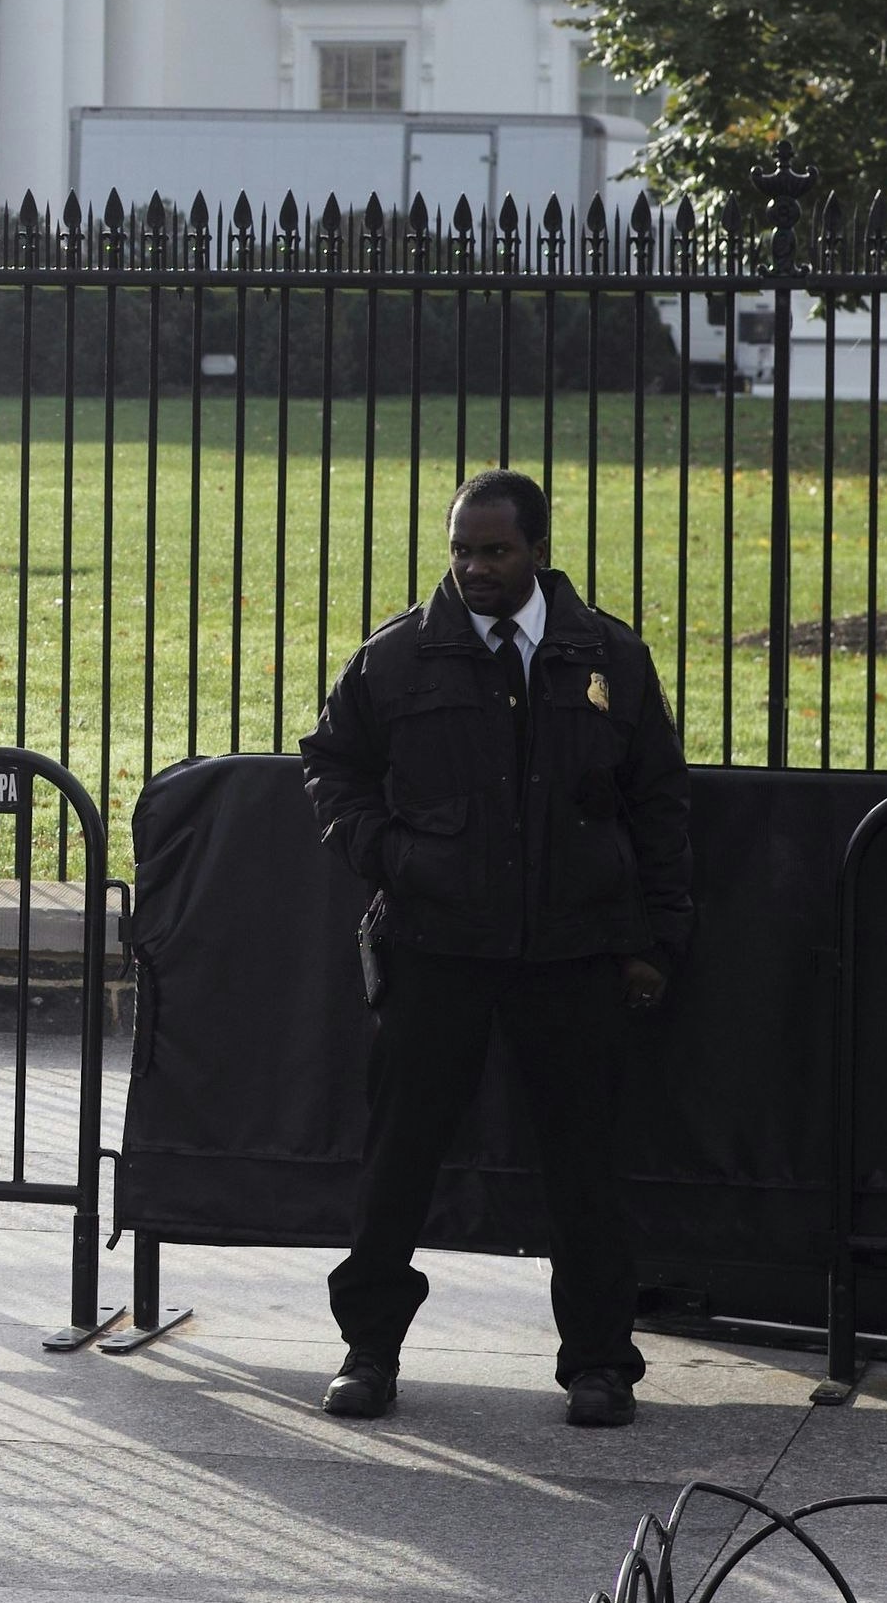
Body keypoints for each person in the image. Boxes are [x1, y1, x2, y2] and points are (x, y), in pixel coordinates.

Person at [300, 469, 692, 1429]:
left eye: (496, 551)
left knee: (585, 1167)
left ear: (538, 552)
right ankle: (369, 1350)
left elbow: (659, 804)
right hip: (438, 945)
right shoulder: (396, 659)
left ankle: (600, 1362)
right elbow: (331, 769)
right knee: (399, 1160)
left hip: (573, 949)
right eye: (462, 550)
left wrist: (657, 940)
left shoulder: (608, 657)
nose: (476, 568)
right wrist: (391, 853)